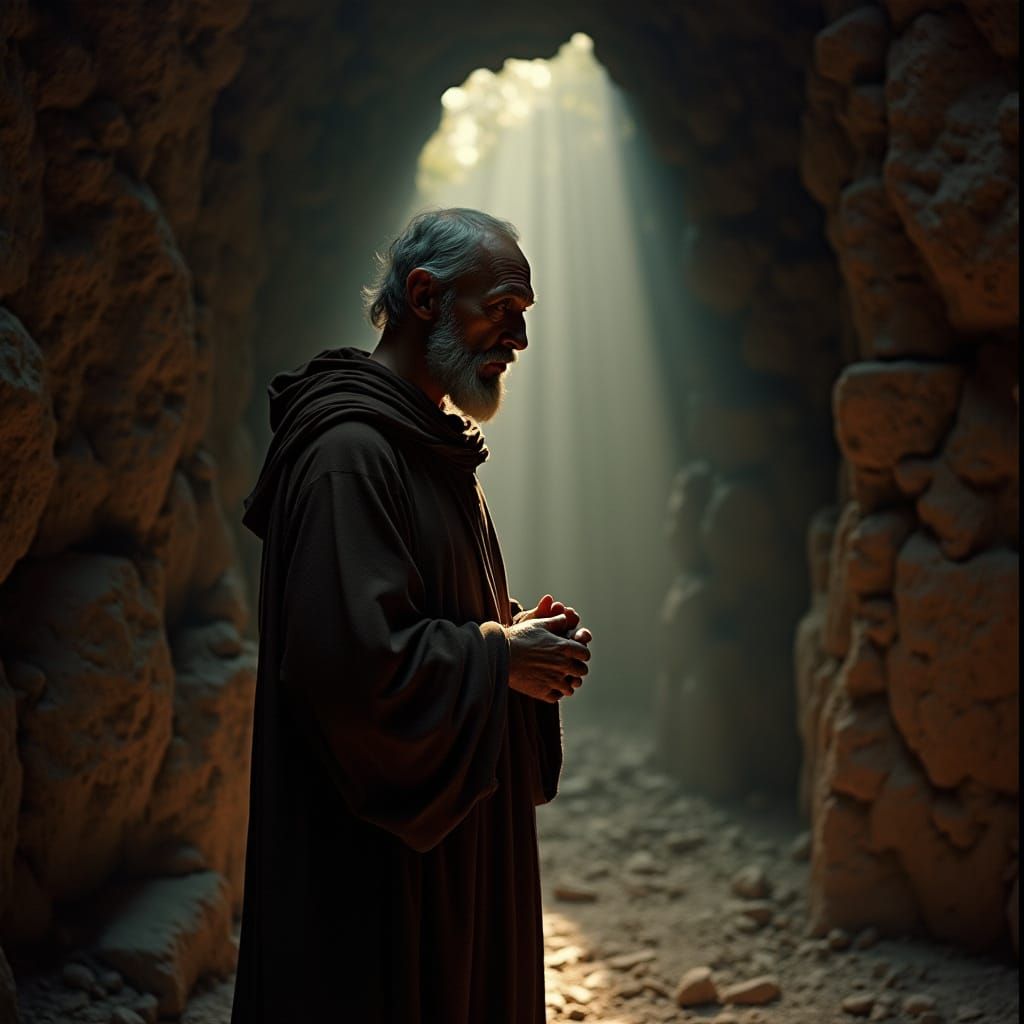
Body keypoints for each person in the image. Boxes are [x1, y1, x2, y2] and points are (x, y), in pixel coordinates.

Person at [231, 208, 593, 1023]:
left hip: (448, 856)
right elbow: (349, 669)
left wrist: (516, 638)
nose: (518, 341)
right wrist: (499, 656)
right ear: (424, 296)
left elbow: (424, 613)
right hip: (374, 869)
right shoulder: (349, 455)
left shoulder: (424, 444)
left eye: (524, 317)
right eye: (502, 309)